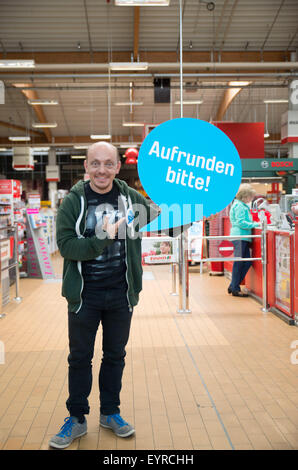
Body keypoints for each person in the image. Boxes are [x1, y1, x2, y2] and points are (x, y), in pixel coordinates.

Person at [49, 141, 160, 449]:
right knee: (80, 358)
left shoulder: (129, 197)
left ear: (117, 166)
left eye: (108, 163)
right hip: (85, 297)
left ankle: (110, 412)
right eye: (95, 163)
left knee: (115, 357)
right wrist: (102, 238)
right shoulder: (74, 201)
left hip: (121, 296)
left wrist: (184, 205)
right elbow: (67, 246)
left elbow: (159, 216)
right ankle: (77, 418)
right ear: (86, 166)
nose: (101, 170)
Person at [228, 183, 260, 297]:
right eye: (251, 196)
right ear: (245, 196)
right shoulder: (240, 206)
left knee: (245, 262)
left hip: (240, 237)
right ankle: (235, 288)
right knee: (240, 263)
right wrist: (255, 224)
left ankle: (233, 285)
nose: (251, 198)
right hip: (240, 237)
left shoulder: (238, 205)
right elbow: (241, 222)